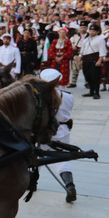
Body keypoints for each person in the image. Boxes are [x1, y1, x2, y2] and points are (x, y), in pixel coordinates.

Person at [40, 68, 77, 202]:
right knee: (63, 160)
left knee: (35, 156)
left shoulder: (39, 98)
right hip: (63, 131)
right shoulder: (68, 96)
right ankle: (70, 186)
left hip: (44, 132)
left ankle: (31, 183)